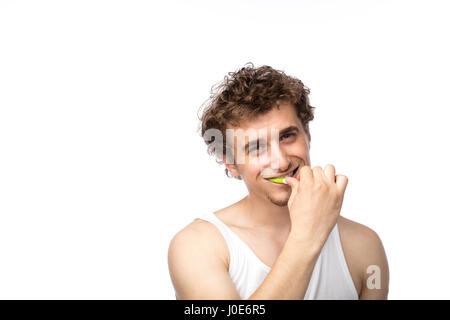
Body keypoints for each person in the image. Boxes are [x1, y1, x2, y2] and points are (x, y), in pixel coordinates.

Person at [168, 63, 389, 299]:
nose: (281, 162)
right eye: (256, 147)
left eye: (287, 136)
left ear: (308, 136)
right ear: (231, 164)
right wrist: (307, 235)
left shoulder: (364, 246)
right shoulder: (196, 246)